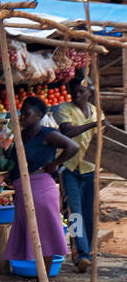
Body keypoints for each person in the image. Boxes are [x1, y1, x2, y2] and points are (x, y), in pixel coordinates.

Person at [5, 96, 80, 282]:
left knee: (44, 236)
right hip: (24, 190)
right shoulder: (22, 136)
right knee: (34, 236)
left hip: (41, 190)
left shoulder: (47, 134)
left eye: (27, 113)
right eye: (22, 112)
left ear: (39, 116)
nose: (22, 116)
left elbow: (73, 147)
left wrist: (55, 163)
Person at [54, 80, 103, 272]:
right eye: (74, 92)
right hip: (70, 169)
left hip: (90, 168)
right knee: (74, 213)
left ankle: (88, 252)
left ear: (90, 92)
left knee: (90, 213)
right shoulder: (63, 109)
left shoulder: (96, 110)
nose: (77, 95)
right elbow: (68, 131)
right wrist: (94, 124)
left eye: (81, 91)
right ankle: (80, 254)